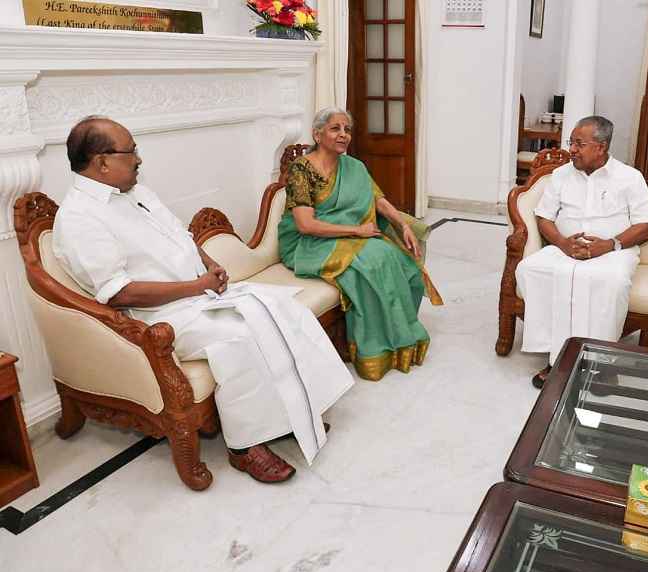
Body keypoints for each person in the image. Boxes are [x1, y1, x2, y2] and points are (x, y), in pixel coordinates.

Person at [53, 116, 354, 484]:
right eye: (131, 151)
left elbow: (180, 237)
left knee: (281, 308)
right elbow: (120, 292)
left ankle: (292, 412)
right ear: (101, 161)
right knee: (240, 337)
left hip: (199, 294)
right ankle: (245, 447)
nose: (138, 160)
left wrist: (209, 263)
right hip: (157, 317)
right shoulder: (79, 218)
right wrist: (197, 286)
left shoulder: (137, 193)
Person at [278, 107, 442, 381]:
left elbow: (377, 199)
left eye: (347, 129)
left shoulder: (354, 167)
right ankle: (375, 349)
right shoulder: (301, 170)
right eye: (335, 129)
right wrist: (357, 230)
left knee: (401, 262)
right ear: (318, 134)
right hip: (308, 243)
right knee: (374, 261)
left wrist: (403, 225)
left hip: (348, 234)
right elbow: (305, 225)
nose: (343, 135)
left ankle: (400, 336)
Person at [516, 115, 648, 388]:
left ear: (601, 147)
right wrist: (563, 243)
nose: (572, 149)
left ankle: (600, 363)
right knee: (530, 269)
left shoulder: (630, 177)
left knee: (610, 281)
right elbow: (544, 217)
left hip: (614, 249)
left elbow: (646, 224)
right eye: (572, 142)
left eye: (579, 144)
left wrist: (608, 244)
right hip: (566, 246)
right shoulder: (560, 174)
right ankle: (555, 356)